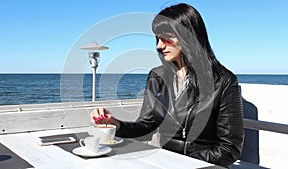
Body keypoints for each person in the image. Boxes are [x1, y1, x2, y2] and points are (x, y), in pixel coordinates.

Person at [91, 3, 244, 167]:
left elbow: (229, 148)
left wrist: (184, 163)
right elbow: (146, 126)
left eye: (165, 38)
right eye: (157, 38)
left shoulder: (223, 81)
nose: (159, 45)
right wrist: (117, 124)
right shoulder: (157, 77)